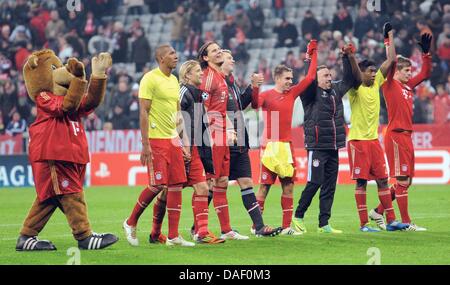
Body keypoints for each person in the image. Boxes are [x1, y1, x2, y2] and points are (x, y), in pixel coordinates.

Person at [123, 44, 194, 247]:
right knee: (157, 184)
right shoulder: (149, 78)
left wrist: (185, 142)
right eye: (172, 53)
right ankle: (130, 222)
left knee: (176, 186)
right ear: (161, 58)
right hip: (156, 139)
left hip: (173, 140)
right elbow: (143, 112)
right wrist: (145, 143)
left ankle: (173, 236)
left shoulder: (174, 80)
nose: (176, 56)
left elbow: (178, 114)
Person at [347, 23, 409, 232]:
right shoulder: (354, 89)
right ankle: (364, 224)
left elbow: (391, 60)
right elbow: (355, 74)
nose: (374, 74)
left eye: (375, 71)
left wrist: (389, 37)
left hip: (373, 141)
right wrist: (351, 57)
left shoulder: (376, 83)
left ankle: (391, 221)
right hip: (357, 141)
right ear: (362, 73)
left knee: (383, 180)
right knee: (361, 183)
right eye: (370, 72)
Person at [292, 43, 359, 234]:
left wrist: (346, 57)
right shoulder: (310, 93)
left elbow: (350, 78)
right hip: (317, 147)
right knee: (314, 182)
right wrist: (310, 56)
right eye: (325, 76)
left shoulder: (336, 91)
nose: (330, 78)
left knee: (329, 186)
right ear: (317, 79)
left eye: (330, 75)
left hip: (334, 146)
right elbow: (309, 77)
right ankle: (298, 216)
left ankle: (324, 224)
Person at [369, 33, 433, 232]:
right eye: (406, 70)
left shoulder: (408, 86)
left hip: (406, 136)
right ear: (396, 72)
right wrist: (388, 38)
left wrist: (426, 53)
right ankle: (406, 222)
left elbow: (425, 74)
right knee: (402, 180)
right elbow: (392, 60)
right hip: (395, 135)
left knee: (407, 181)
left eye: (410, 71)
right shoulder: (390, 84)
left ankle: (378, 211)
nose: (409, 74)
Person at [253, 40, 317, 236]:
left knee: (288, 186)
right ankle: (257, 226)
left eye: (291, 78)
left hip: (286, 146)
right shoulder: (266, 94)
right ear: (278, 78)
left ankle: (287, 227)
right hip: (270, 146)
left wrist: (312, 53)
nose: (291, 81)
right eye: (287, 78)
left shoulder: (292, 93)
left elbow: (311, 77)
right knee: (264, 187)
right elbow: (255, 105)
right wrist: (255, 87)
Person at [221, 49, 281, 237]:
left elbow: (240, 106)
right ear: (218, 61)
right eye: (229, 58)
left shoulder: (231, 83)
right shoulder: (216, 83)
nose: (233, 60)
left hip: (239, 142)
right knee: (215, 184)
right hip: (223, 142)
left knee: (246, 182)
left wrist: (253, 87)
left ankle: (259, 226)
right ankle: (200, 227)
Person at [196, 41, 249, 240]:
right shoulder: (208, 78)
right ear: (206, 58)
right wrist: (210, 134)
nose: (219, 51)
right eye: (214, 50)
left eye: (220, 49)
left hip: (222, 135)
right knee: (208, 183)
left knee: (222, 181)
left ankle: (226, 230)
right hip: (211, 137)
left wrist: (230, 128)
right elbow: (202, 109)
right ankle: (200, 231)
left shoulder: (221, 77)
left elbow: (221, 108)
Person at [178, 59, 225, 244]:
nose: (201, 73)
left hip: (196, 147)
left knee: (203, 188)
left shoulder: (198, 95)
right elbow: (174, 117)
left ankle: (201, 233)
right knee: (166, 190)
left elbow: (200, 125)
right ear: (187, 75)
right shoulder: (182, 92)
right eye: (198, 71)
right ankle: (150, 229)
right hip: (182, 148)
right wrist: (182, 143)